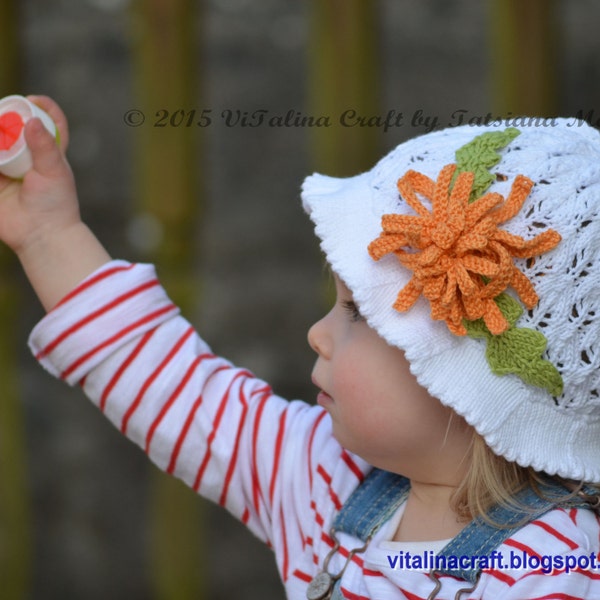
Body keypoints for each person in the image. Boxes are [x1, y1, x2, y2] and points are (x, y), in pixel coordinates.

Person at [1, 96, 599, 599]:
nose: (317, 333)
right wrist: (48, 234)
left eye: (357, 312)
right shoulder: (329, 479)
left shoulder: (553, 570)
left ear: (470, 384)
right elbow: (176, 389)